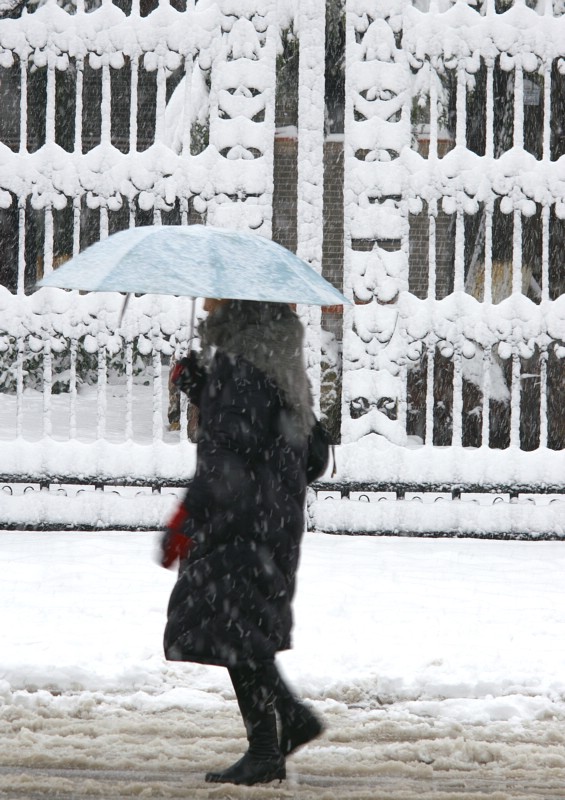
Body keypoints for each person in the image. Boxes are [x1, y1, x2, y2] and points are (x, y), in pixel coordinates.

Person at [159, 298, 324, 786]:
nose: (206, 300)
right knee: (240, 629)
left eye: (215, 294)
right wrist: (202, 388)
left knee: (230, 629)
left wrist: (184, 521)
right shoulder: (275, 362)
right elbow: (275, 439)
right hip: (271, 518)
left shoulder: (240, 365)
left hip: (240, 521)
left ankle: (274, 740)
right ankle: (282, 729)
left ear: (238, 306)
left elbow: (226, 455)